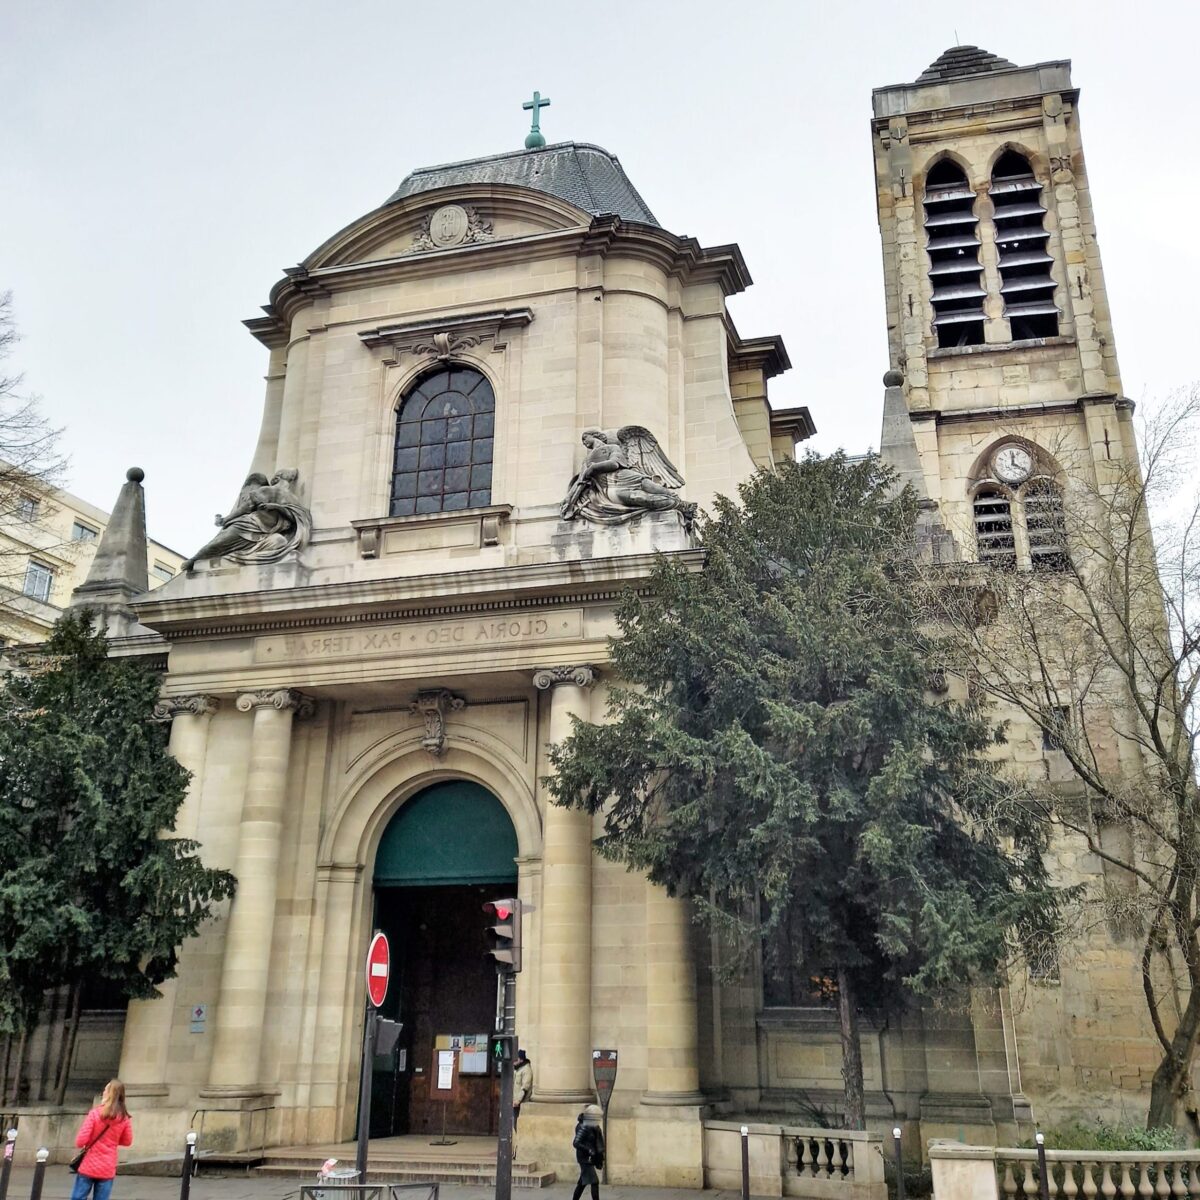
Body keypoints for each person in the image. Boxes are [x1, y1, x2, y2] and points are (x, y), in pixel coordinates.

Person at [71, 1079, 133, 1200]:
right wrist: (112, 1141)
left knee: (78, 1197)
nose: (103, 1091)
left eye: (105, 1089)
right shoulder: (124, 1118)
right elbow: (127, 1141)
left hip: (89, 1165)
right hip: (107, 1166)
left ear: (109, 1094)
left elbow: (80, 1141)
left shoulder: (95, 1114)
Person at [571, 1103, 605, 1200]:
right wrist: (589, 1150)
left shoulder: (592, 1126)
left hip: (590, 1158)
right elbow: (576, 1143)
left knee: (582, 1182)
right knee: (594, 1182)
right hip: (585, 1159)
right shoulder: (583, 1126)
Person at [512, 1048, 533, 1128]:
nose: (513, 1061)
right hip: (515, 1101)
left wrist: (517, 1101)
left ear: (520, 1059)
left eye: (515, 1059)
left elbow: (525, 1087)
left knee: (517, 1124)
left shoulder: (526, 1070)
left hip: (520, 1103)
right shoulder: (517, 1069)